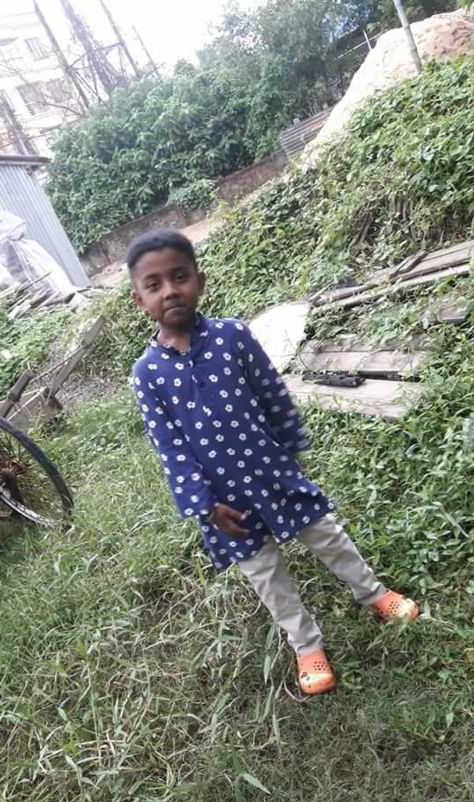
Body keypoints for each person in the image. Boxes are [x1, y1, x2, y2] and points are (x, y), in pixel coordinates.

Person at [128, 229, 418, 696]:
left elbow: (272, 395)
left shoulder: (232, 336)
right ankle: (305, 645)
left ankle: (375, 593)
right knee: (266, 574)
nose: (170, 291)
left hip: (274, 471)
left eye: (179, 277)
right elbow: (170, 448)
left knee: (326, 535)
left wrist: (290, 454)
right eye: (154, 284)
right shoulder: (147, 375)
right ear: (139, 299)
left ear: (199, 280)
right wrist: (204, 506)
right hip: (225, 503)